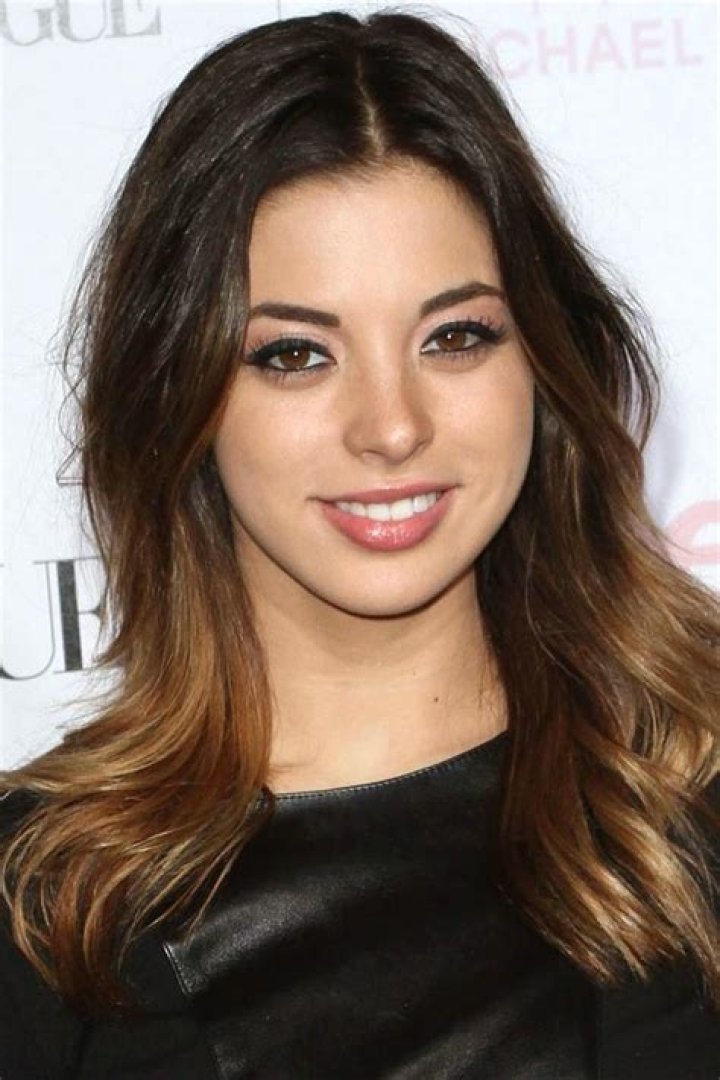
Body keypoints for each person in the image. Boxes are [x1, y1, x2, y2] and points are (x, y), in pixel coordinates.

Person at [0, 9, 718, 1078]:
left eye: (456, 337)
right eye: (295, 354)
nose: (392, 426)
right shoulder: (49, 905)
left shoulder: (691, 788)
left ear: (542, 363)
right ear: (178, 392)